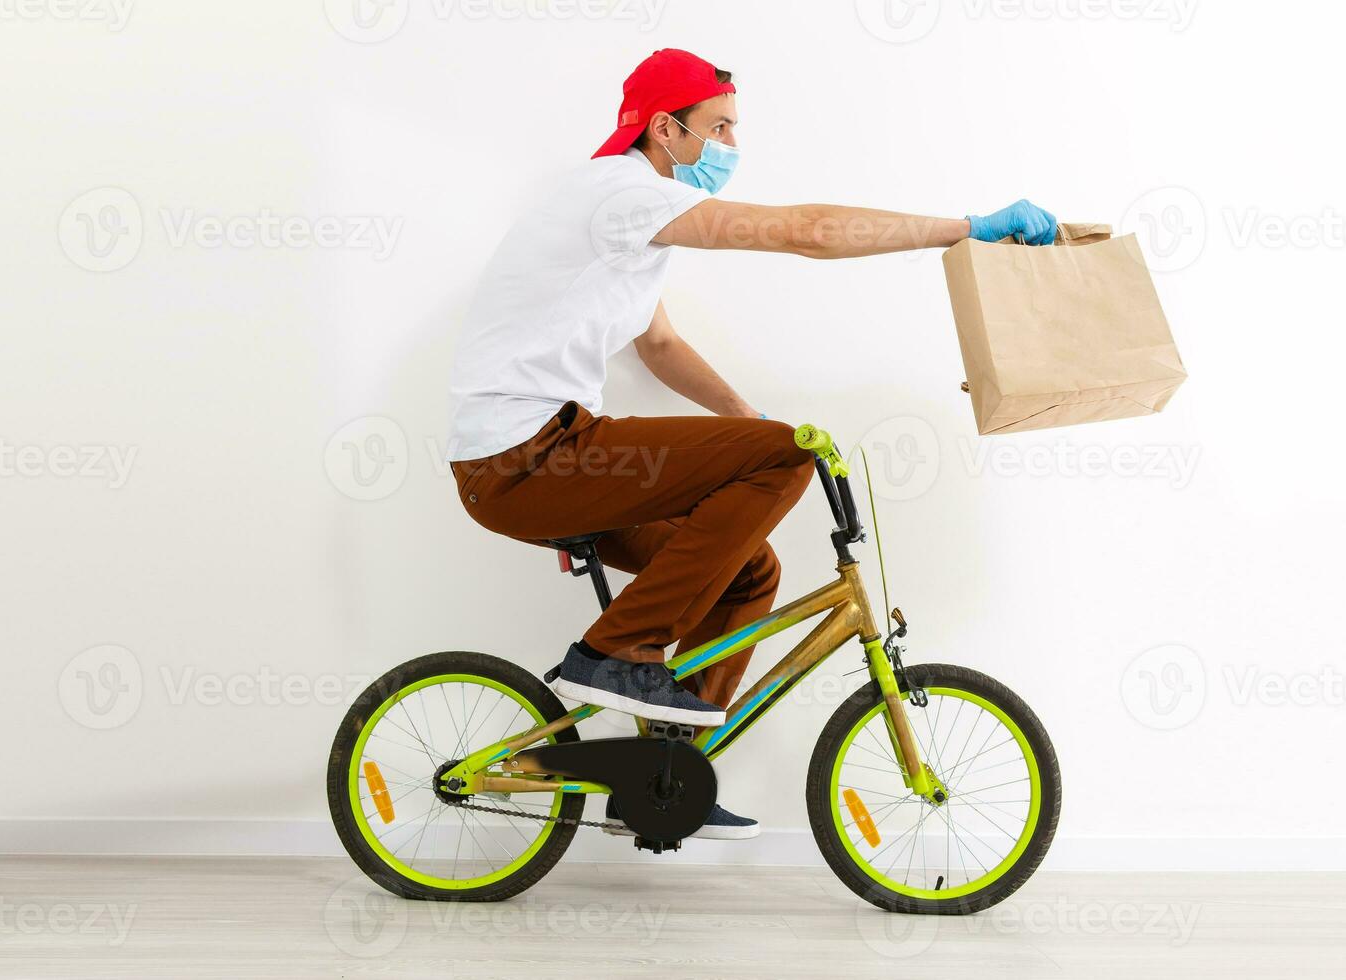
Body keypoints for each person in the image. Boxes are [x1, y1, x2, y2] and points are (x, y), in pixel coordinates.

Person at [447, 48, 1056, 838]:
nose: (733, 144)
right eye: (720, 126)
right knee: (773, 459)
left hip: (548, 454)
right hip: (524, 456)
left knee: (749, 569)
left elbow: (659, 347)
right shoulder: (621, 194)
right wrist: (967, 228)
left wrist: (749, 423)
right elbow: (804, 232)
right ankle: (615, 650)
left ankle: (663, 776)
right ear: (666, 129)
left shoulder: (633, 217)